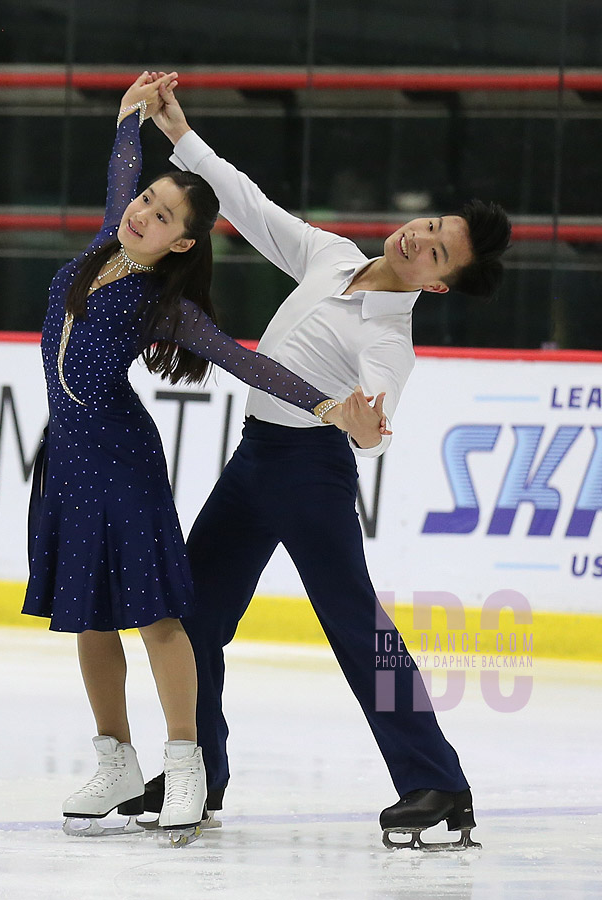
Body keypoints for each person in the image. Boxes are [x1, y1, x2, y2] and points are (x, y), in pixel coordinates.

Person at [145, 76, 512, 850]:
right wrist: (180, 135)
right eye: (431, 225)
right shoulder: (333, 256)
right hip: (255, 461)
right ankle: (202, 771)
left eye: (435, 251)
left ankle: (437, 780)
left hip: (310, 473)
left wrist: (360, 424)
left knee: (355, 626)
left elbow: (375, 424)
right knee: (193, 614)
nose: (418, 238)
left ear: (437, 281)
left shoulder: (389, 339)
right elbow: (247, 205)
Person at [21, 72, 353, 846]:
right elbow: (122, 179)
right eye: (146, 203)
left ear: (183, 242)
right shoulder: (109, 240)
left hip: (123, 467)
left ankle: (186, 761)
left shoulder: (162, 306)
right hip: (65, 464)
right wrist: (126, 120)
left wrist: (329, 407)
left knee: (156, 617)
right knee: (86, 621)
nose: (143, 212)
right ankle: (117, 761)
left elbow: (247, 364)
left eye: (164, 215)